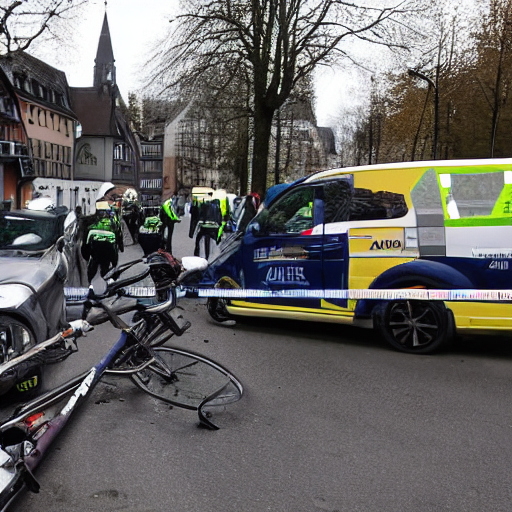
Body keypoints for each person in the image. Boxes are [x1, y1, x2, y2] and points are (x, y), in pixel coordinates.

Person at [82, 202, 124, 282]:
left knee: (93, 268)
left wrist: (86, 256)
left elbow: (85, 243)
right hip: (109, 251)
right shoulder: (113, 224)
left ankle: (91, 284)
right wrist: (121, 248)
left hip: (96, 252)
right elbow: (119, 236)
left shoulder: (91, 224)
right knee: (107, 268)